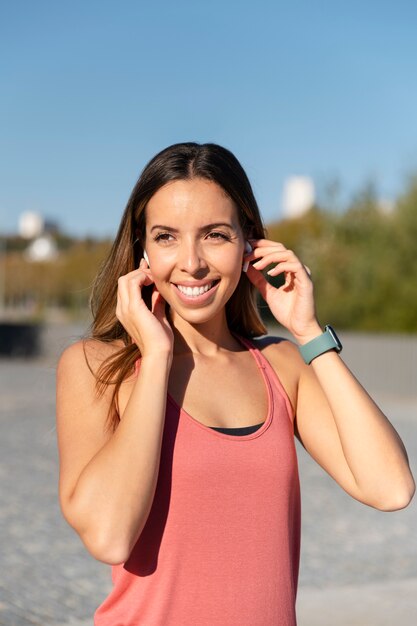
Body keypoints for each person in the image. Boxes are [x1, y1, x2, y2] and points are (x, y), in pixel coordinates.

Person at [56, 142, 415, 626]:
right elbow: (110, 536)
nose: (192, 262)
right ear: (142, 248)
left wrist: (308, 333)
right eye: (166, 237)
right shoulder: (96, 367)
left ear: (249, 242)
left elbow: (390, 487)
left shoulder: (281, 365)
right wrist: (157, 354)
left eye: (215, 235)